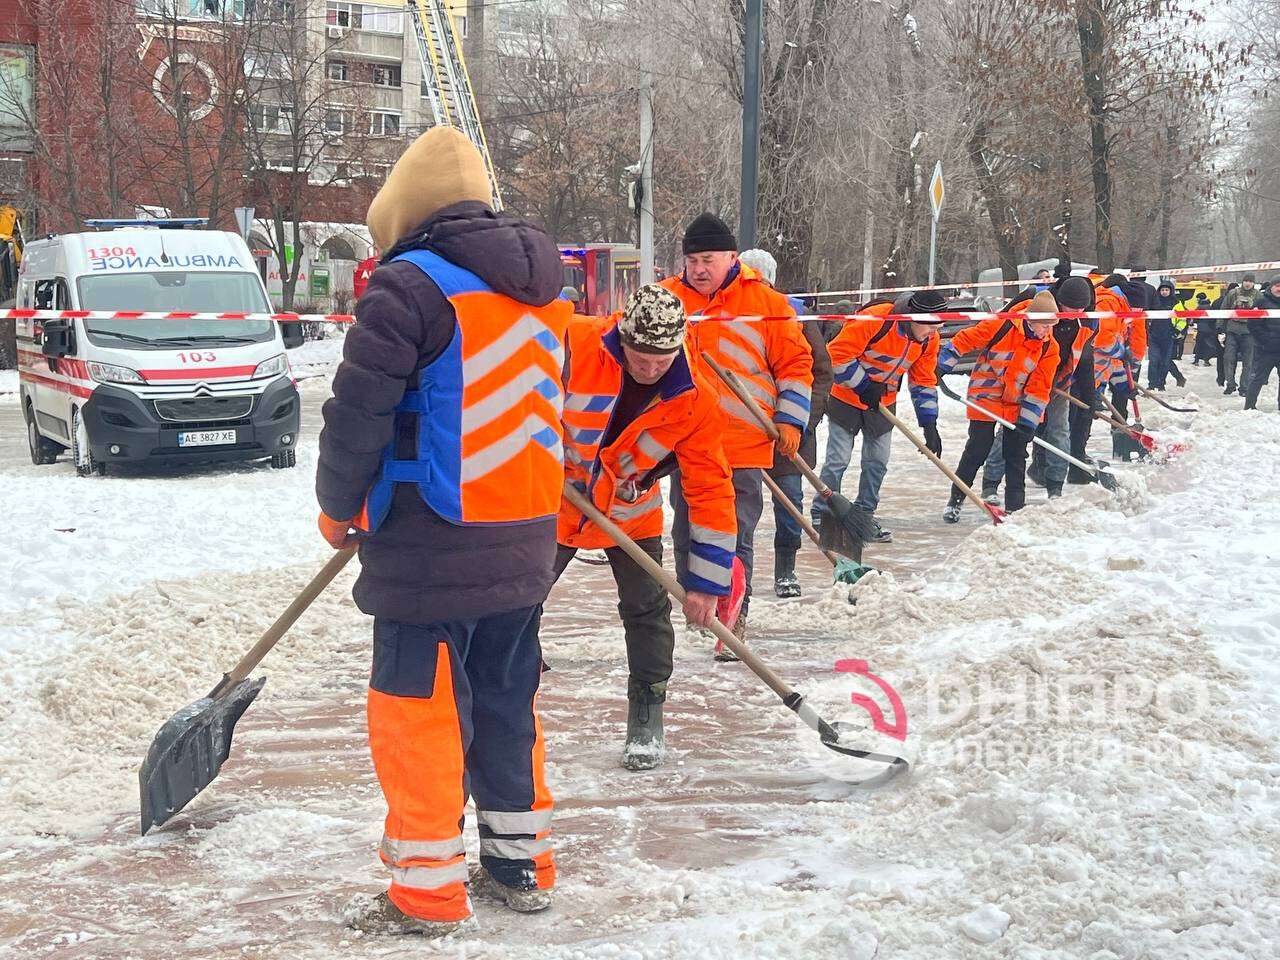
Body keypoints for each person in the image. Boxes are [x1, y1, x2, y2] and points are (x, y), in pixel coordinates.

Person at [316, 128, 571, 936]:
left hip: (429, 546)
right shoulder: (546, 288)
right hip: (526, 540)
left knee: (418, 712)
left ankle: (426, 891)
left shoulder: (407, 287)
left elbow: (359, 414)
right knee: (506, 702)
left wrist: (336, 504)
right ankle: (519, 861)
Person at [554, 284, 735, 769]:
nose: (650, 368)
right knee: (513, 596)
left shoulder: (693, 397)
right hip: (554, 501)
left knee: (647, 610)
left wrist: (705, 583)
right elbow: (516, 396)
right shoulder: (574, 343)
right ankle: (503, 692)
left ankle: (647, 712)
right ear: (621, 337)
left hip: (629, 513)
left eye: (662, 360)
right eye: (640, 357)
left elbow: (711, 489)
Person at [659, 213, 813, 652]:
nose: (698, 269)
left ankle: (733, 619)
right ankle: (701, 605)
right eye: (691, 260)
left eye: (707, 259)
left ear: (731, 257)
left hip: (744, 440)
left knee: (734, 533)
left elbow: (796, 366)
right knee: (687, 531)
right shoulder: (668, 298)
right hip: (683, 444)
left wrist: (789, 419)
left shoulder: (766, 303)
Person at [737, 248, 832, 599]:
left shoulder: (795, 317)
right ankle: (733, 584)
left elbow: (820, 374)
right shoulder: (726, 317)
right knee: (738, 514)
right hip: (742, 435)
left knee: (790, 501)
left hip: (789, 435)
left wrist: (801, 422)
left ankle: (786, 570)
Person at [816, 289, 945, 542]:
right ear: (911, 319)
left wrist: (929, 423)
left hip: (883, 403)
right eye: (929, 326)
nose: (933, 332)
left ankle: (863, 516)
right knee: (838, 460)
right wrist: (863, 385)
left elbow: (923, 380)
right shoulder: (875, 320)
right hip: (846, 398)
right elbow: (835, 355)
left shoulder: (930, 340)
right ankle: (823, 513)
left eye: (938, 326)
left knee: (877, 461)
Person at [940, 289, 1060, 520]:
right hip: (985, 395)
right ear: (1030, 319)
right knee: (977, 449)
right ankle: (955, 500)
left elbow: (1039, 386)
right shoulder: (1002, 326)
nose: (1048, 330)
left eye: (1051, 325)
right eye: (1044, 325)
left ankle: (1015, 507)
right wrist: (943, 363)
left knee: (1016, 453)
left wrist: (1028, 421)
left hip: (1016, 403)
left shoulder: (1049, 347)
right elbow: (967, 339)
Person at [983, 277, 1095, 501]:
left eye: (1082, 308)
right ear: (1060, 301)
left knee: (1059, 430)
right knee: (1009, 430)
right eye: (1072, 307)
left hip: (1057, 384)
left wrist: (1090, 397)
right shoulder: (1039, 309)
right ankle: (991, 484)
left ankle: (1055, 486)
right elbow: (1002, 331)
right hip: (1023, 381)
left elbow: (1085, 357)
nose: (1077, 312)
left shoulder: (1088, 320)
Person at [1244, 276, 1280, 411]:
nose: (1279, 288)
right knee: (1257, 379)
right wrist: (1266, 340)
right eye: (1277, 285)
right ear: (1271, 287)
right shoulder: (1261, 302)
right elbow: (1253, 325)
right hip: (1265, 350)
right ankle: (1249, 407)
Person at [1221, 274, 1259, 395]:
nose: (1247, 283)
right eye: (1246, 281)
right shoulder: (1233, 293)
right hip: (1232, 330)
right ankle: (1230, 384)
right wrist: (1220, 328)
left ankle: (1244, 387)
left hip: (1249, 332)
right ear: (1242, 282)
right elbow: (1223, 310)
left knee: (1248, 362)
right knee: (1228, 359)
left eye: (1250, 281)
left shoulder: (1258, 295)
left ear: (1253, 283)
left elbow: (1264, 314)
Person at [1147, 280, 1178, 391]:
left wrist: (1178, 331)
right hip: (1154, 336)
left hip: (1168, 337)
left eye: (1167, 290)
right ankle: (1151, 384)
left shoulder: (1176, 303)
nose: (1164, 292)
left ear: (1171, 291)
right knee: (1153, 361)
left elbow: (1182, 319)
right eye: (1162, 290)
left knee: (1165, 362)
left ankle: (1161, 383)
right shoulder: (1154, 303)